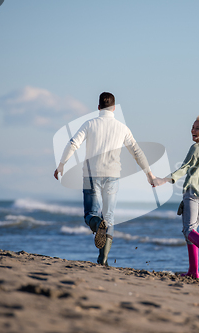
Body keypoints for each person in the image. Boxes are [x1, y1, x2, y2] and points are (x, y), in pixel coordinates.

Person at [54, 92, 154, 265]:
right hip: (113, 176)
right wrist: (149, 173)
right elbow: (137, 152)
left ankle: (97, 223)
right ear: (114, 108)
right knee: (110, 217)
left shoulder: (90, 124)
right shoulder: (123, 128)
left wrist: (62, 164)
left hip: (91, 175)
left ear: (99, 107)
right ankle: (103, 259)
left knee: (90, 215)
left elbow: (73, 144)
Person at [153, 113, 199, 278]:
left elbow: (184, 168)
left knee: (188, 231)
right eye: (193, 127)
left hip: (192, 193)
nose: (193, 130)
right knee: (191, 232)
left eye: (197, 128)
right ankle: (194, 271)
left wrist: (164, 180)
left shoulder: (196, 148)